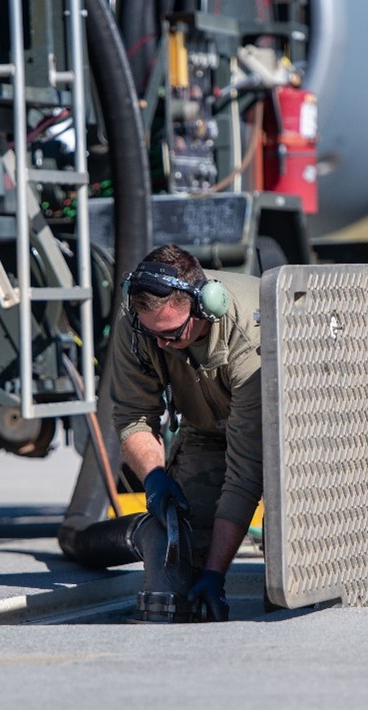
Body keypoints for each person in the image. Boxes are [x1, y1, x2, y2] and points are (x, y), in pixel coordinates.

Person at [109, 244, 264, 621]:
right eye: (153, 334)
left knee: (289, 569)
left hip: (285, 442)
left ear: (206, 307)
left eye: (172, 334)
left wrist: (216, 575)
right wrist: (154, 476)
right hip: (205, 431)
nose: (161, 344)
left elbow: (246, 472)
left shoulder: (250, 336)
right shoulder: (139, 323)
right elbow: (132, 415)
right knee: (182, 562)